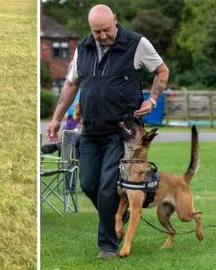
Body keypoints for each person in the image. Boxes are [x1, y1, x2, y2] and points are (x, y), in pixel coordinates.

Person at [46, 4, 169, 259]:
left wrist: (152, 100)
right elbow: (71, 84)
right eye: (96, 31)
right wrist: (56, 118)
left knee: (105, 186)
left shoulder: (137, 44)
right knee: (88, 183)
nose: (101, 36)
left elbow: (162, 70)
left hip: (122, 131)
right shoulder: (84, 47)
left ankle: (108, 245)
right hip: (90, 130)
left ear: (115, 20)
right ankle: (119, 213)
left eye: (105, 30)